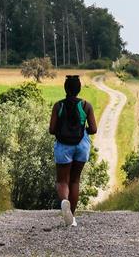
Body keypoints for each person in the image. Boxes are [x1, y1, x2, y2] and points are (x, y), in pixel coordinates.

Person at [49, 75, 98, 227]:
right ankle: (72, 217)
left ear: (65, 88)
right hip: (82, 145)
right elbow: (93, 129)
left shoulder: (58, 106)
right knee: (75, 180)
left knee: (62, 181)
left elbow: (52, 130)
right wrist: (82, 130)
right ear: (79, 89)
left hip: (63, 146)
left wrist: (63, 130)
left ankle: (65, 201)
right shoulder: (86, 105)